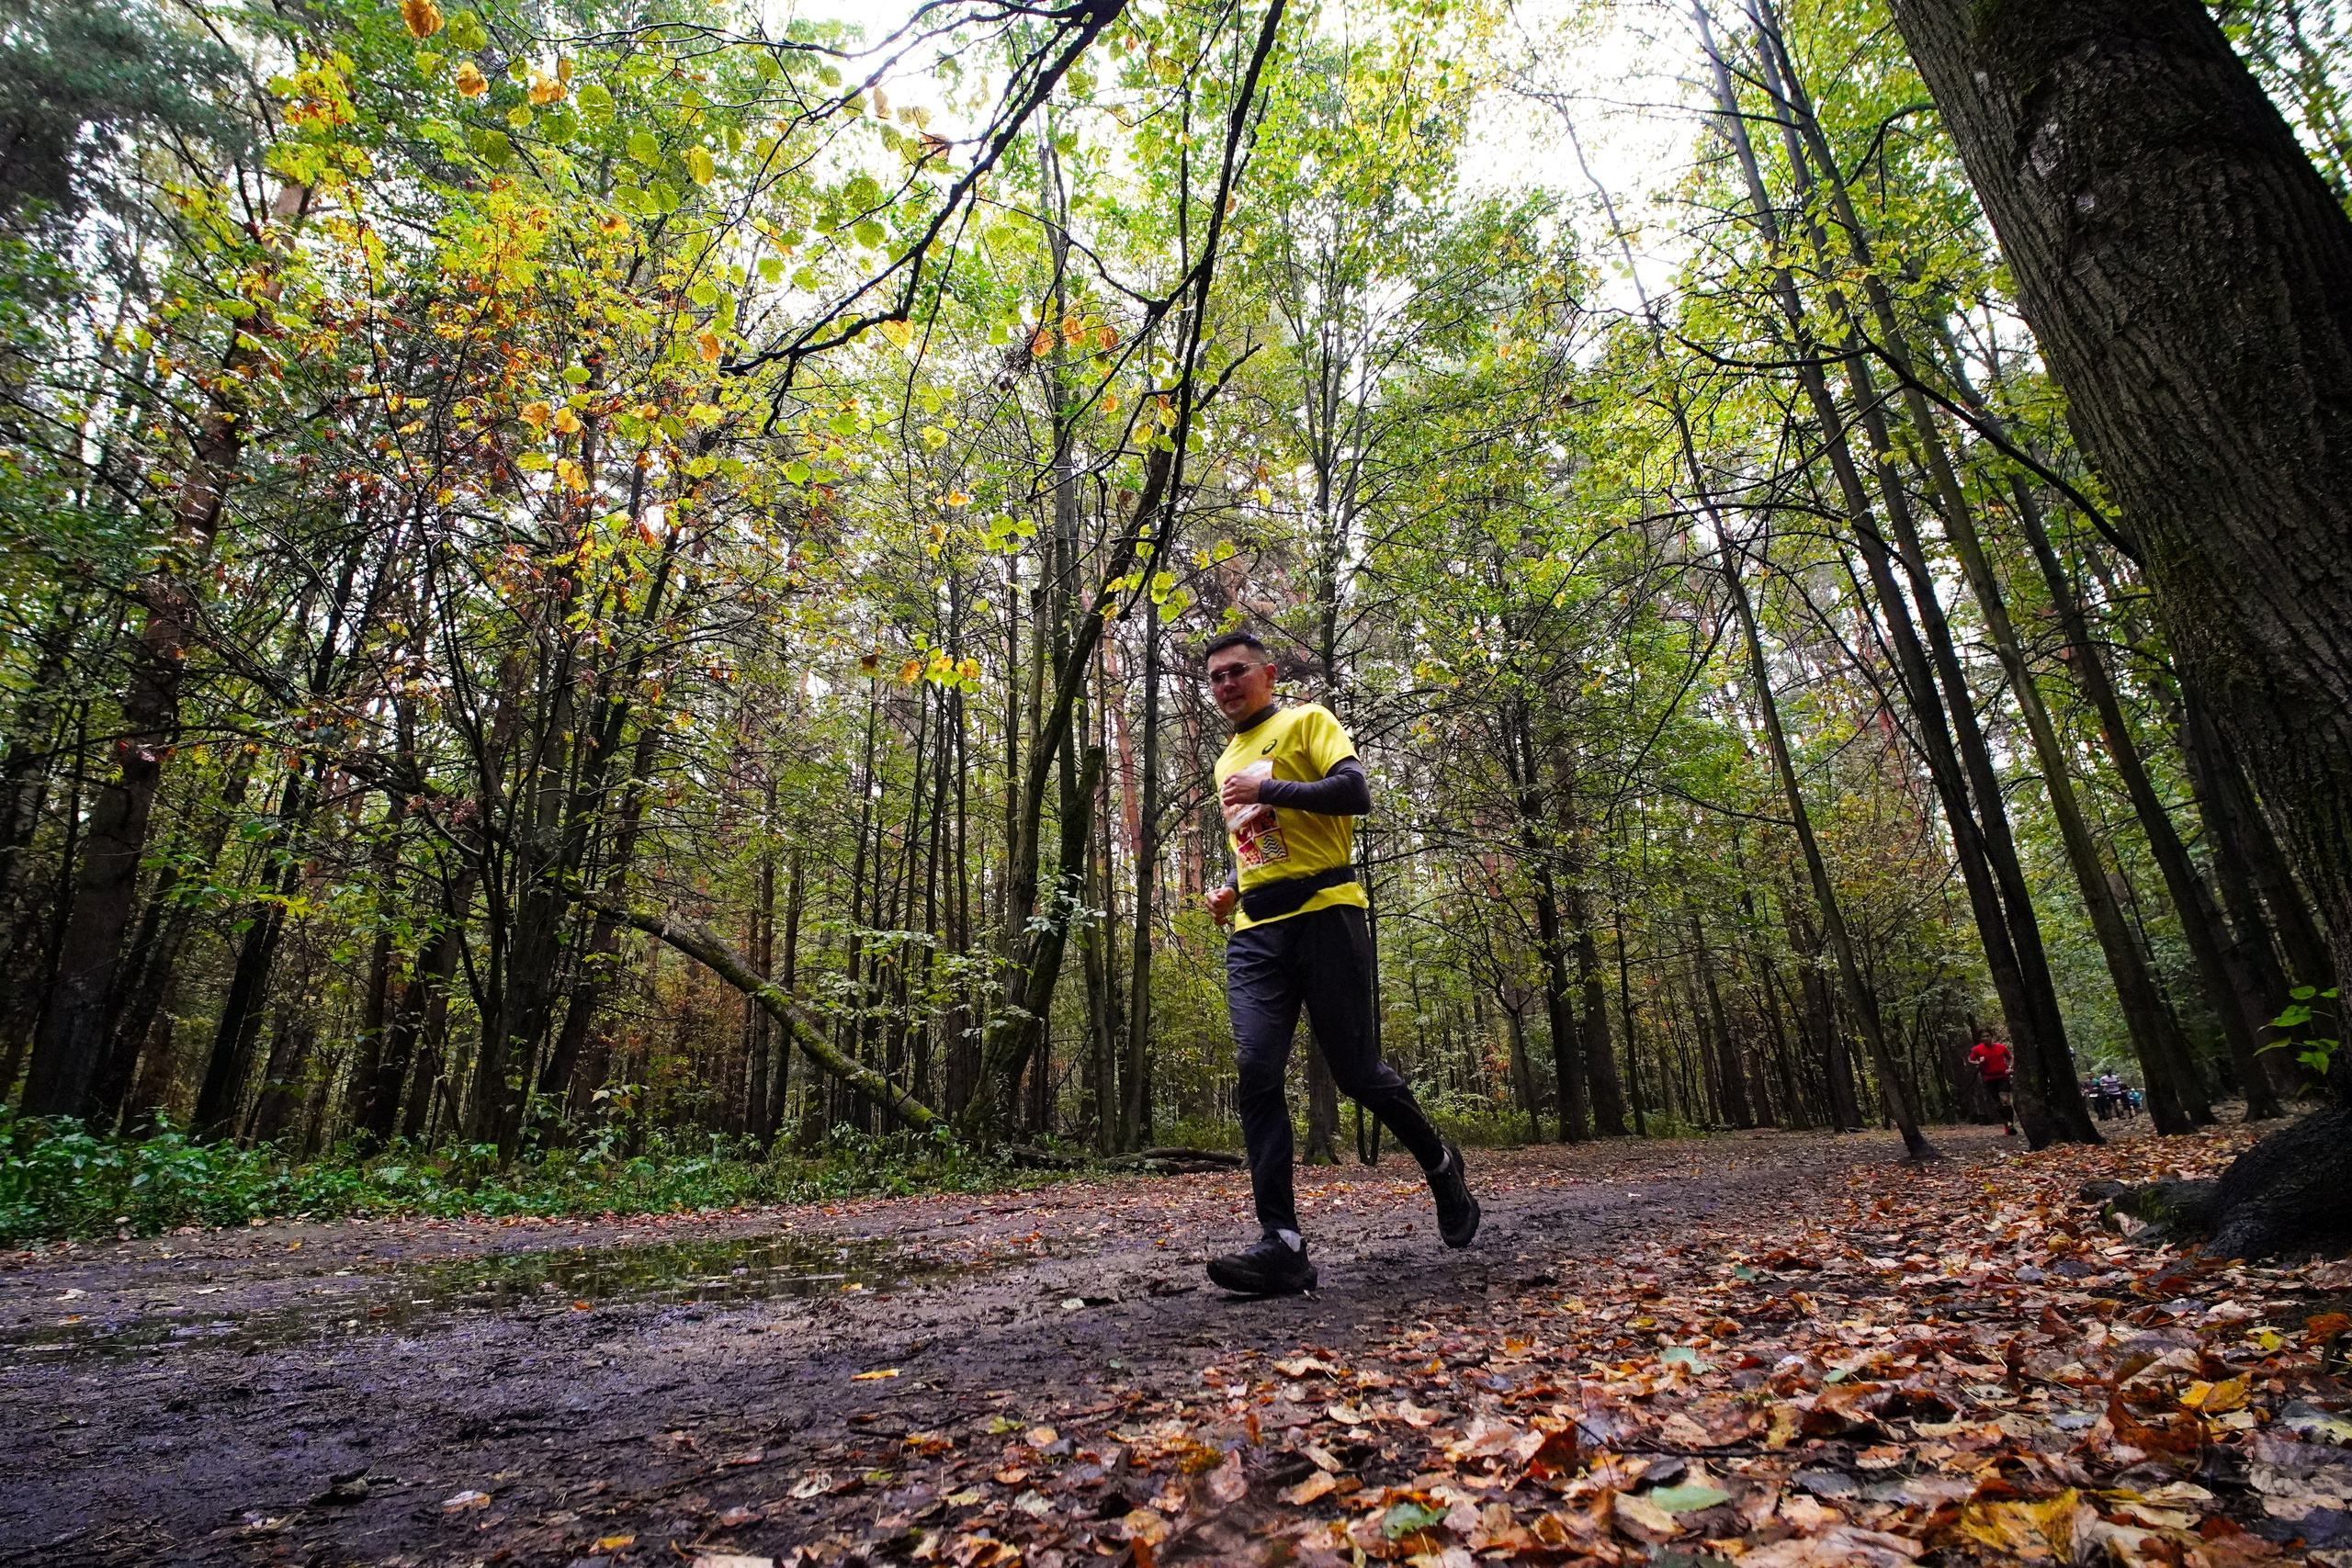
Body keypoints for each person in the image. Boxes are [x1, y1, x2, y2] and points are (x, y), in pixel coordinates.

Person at [1199, 631, 1478, 1295]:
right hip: (1257, 929)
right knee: (1256, 1069)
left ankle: (1440, 1162)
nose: (1226, 685)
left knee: (1356, 1071)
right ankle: (1283, 1244)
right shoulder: (1226, 760)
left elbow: (1355, 793)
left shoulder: (1307, 721)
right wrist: (1235, 887)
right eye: (1214, 678)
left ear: (1267, 673)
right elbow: (1265, 841)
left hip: (1328, 912)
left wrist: (1276, 785)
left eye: (1237, 671)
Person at [1967, 1034, 2015, 1135]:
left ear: (1991, 1036)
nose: (1985, 1038)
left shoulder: (2001, 1047)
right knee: (1998, 1105)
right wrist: (1978, 1062)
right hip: (1989, 1078)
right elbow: (1970, 1060)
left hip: (2003, 1076)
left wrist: (2010, 1067)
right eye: (1983, 1037)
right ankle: (2006, 1123)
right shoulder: (1977, 1049)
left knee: (2005, 1101)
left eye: (1987, 1036)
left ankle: (2011, 1125)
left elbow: (2010, 1057)